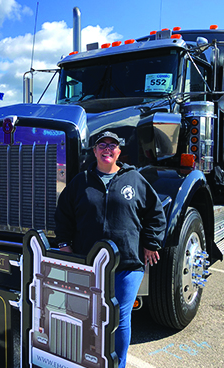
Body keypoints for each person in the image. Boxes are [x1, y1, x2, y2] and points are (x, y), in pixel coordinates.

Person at [55, 131, 167, 367]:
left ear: (119, 151)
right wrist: (64, 245)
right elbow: (63, 214)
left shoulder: (134, 179)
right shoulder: (81, 182)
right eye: (102, 145)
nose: (107, 149)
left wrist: (150, 243)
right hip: (88, 265)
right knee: (86, 316)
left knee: (119, 317)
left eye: (112, 145)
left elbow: (155, 213)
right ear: (94, 151)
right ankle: (86, 361)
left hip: (127, 264)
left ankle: (119, 364)